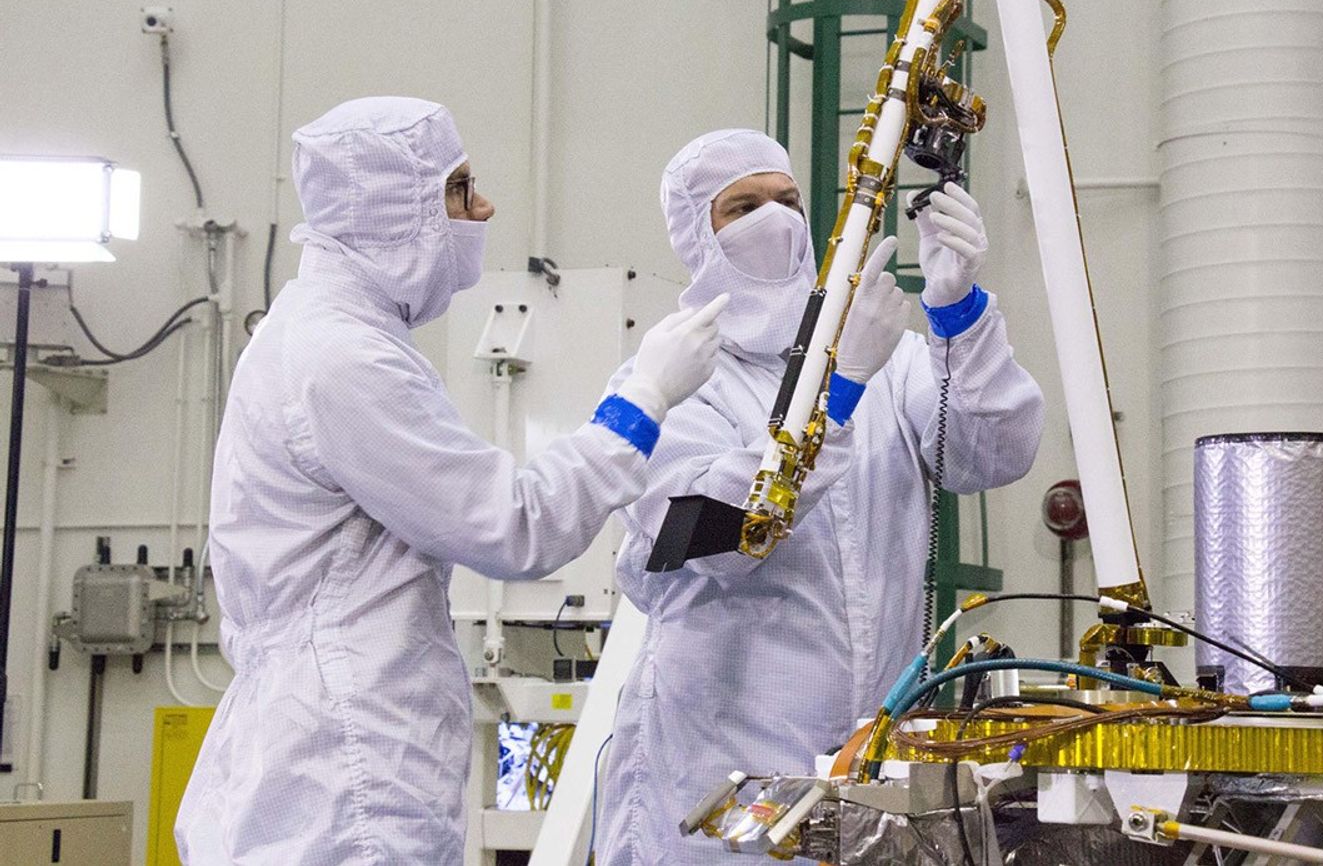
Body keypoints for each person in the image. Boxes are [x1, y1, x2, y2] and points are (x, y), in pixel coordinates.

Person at [174, 97, 727, 866]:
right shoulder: (343, 360)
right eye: (460, 189)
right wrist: (643, 401)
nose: (485, 206)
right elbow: (514, 525)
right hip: (346, 769)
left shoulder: (330, 336)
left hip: (331, 744)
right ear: (390, 211)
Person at [595, 128, 1045, 864]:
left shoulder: (887, 356)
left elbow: (992, 452)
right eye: (741, 207)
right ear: (694, 235)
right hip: (717, 774)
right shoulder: (670, 375)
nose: (773, 220)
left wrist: (955, 314)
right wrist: (835, 402)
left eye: (787, 201)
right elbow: (710, 536)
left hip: (864, 772)